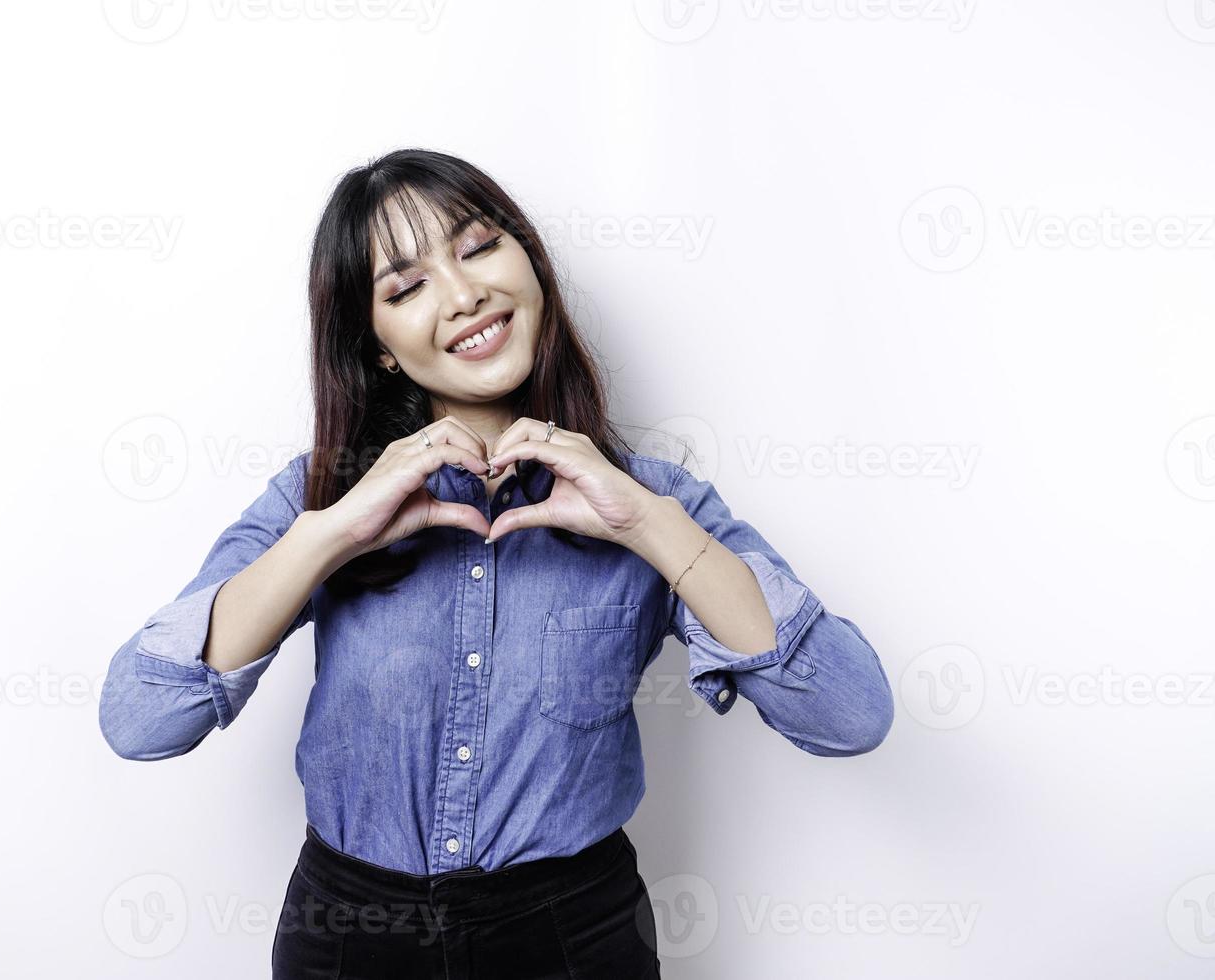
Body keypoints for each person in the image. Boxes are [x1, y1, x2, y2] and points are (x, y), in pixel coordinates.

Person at [98, 148, 895, 978]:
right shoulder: (319, 502)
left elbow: (851, 716)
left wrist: (650, 527)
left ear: (531, 268)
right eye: (406, 287)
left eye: (479, 247)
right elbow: (141, 721)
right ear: (377, 349)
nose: (463, 293)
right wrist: (331, 533)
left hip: (576, 940)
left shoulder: (659, 504)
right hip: (347, 941)